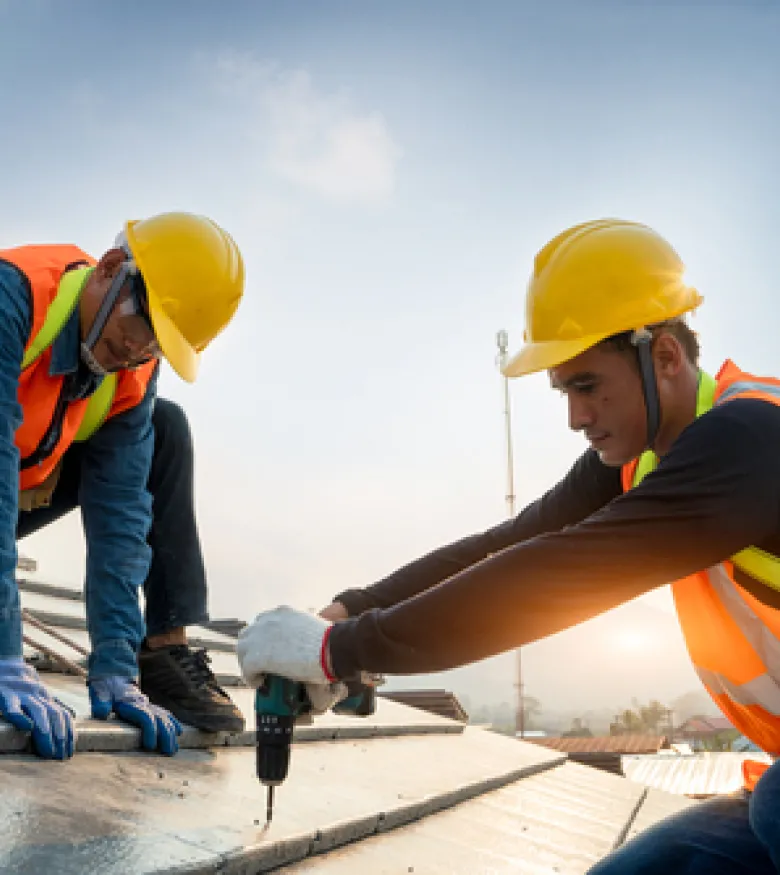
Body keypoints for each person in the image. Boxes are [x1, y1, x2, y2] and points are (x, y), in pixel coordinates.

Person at [237, 218, 780, 872]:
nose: (575, 417)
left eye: (586, 385)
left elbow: (561, 572)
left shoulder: (752, 435)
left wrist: (336, 652)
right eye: (564, 392)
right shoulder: (638, 461)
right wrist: (345, 613)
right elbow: (509, 545)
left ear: (663, 357)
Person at [0, 211, 245, 760]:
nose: (138, 352)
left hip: (20, 491)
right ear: (111, 269)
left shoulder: (134, 368)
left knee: (164, 428)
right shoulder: (15, 296)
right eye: (143, 325)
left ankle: (158, 652)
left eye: (159, 345)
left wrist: (116, 661)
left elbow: (121, 516)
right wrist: (4, 653)